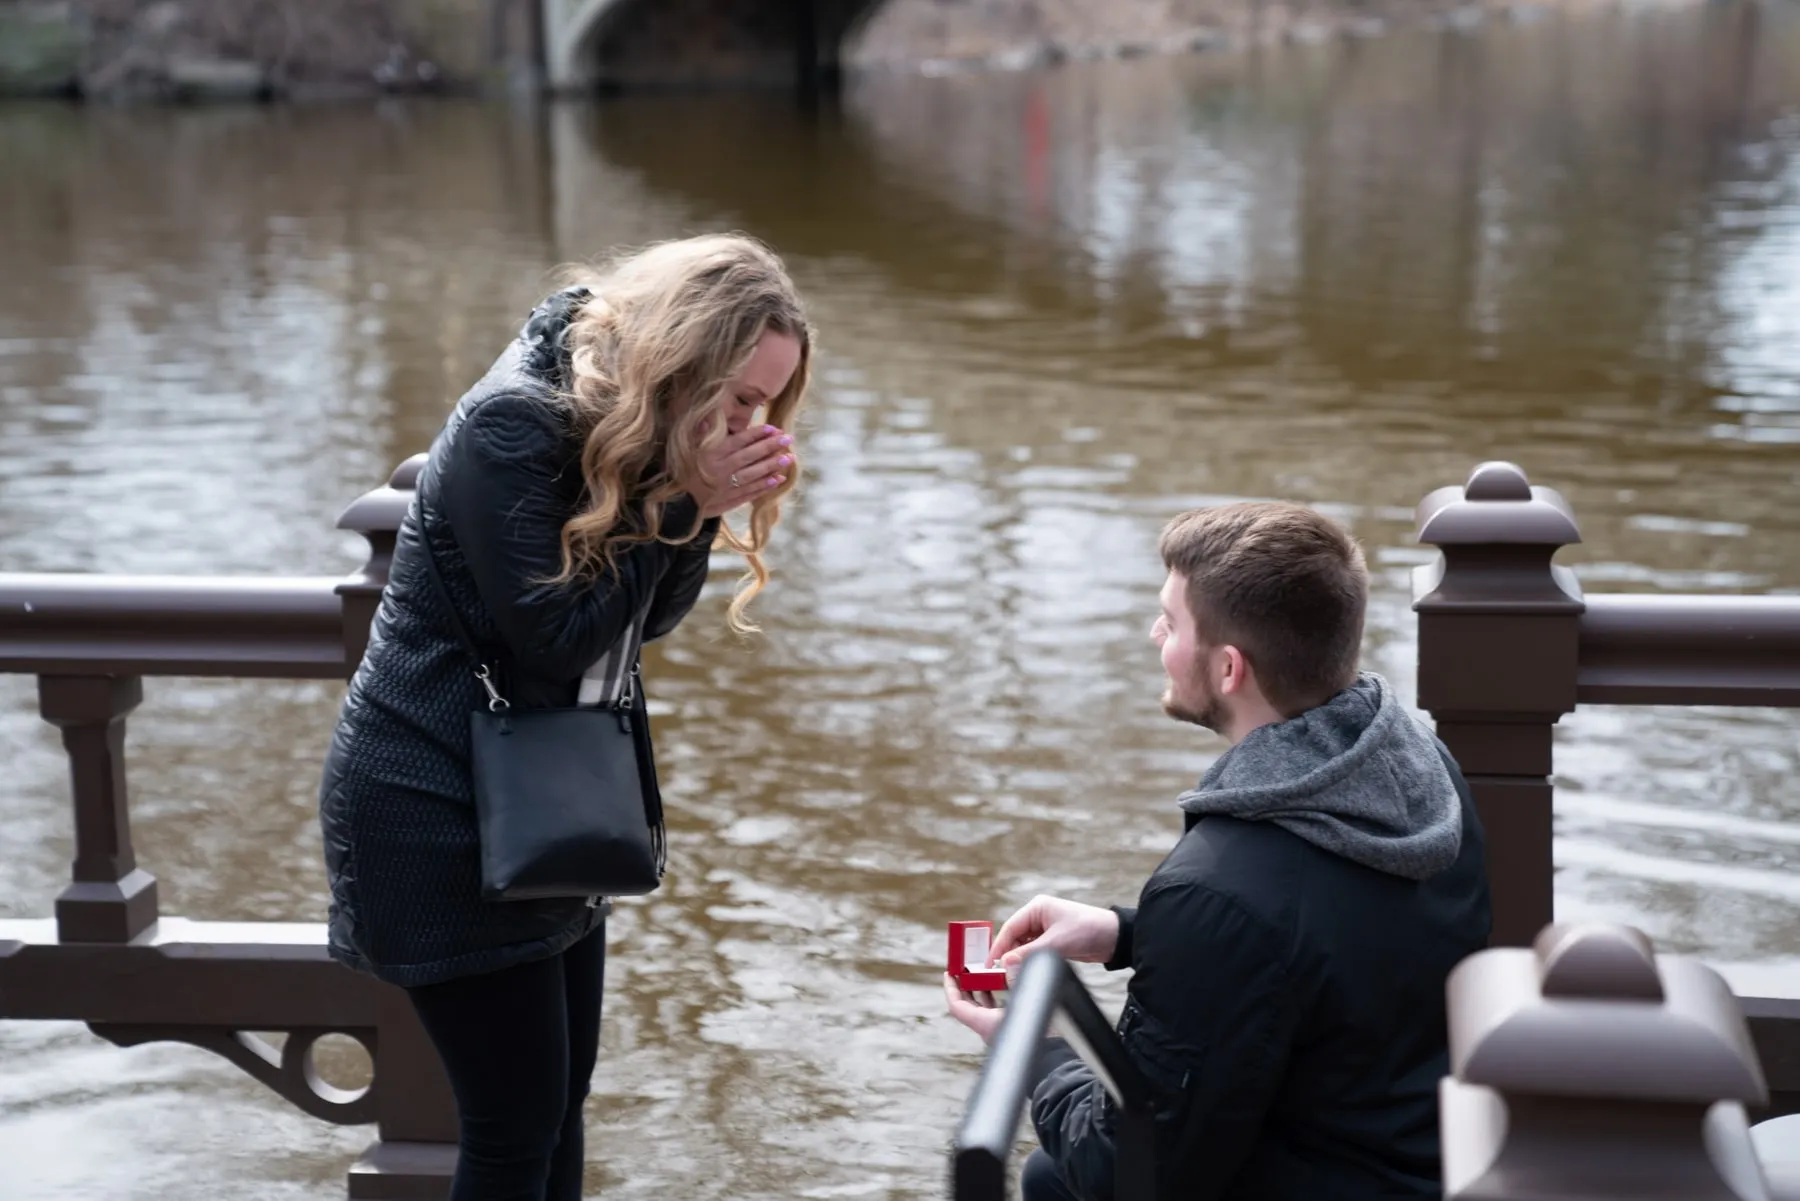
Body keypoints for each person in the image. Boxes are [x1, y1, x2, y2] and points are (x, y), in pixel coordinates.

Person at [318, 234, 813, 1201]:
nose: (752, 420)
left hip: (540, 798)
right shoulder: (516, 423)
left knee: (558, 1108)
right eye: (743, 398)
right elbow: (556, 636)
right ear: (685, 359)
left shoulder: (627, 423)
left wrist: (695, 504)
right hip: (435, 810)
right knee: (512, 1129)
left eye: (766, 406)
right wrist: (687, 500)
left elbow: (647, 617)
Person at [944, 502, 1492, 1201]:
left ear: (1229, 667)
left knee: (1059, 1178)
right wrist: (1127, 933)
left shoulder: (1220, 888)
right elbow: (1334, 948)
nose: (1155, 635)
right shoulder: (1420, 769)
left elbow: (1129, 1173)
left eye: (1171, 623)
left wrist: (1033, 1048)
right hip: (1423, 1152)